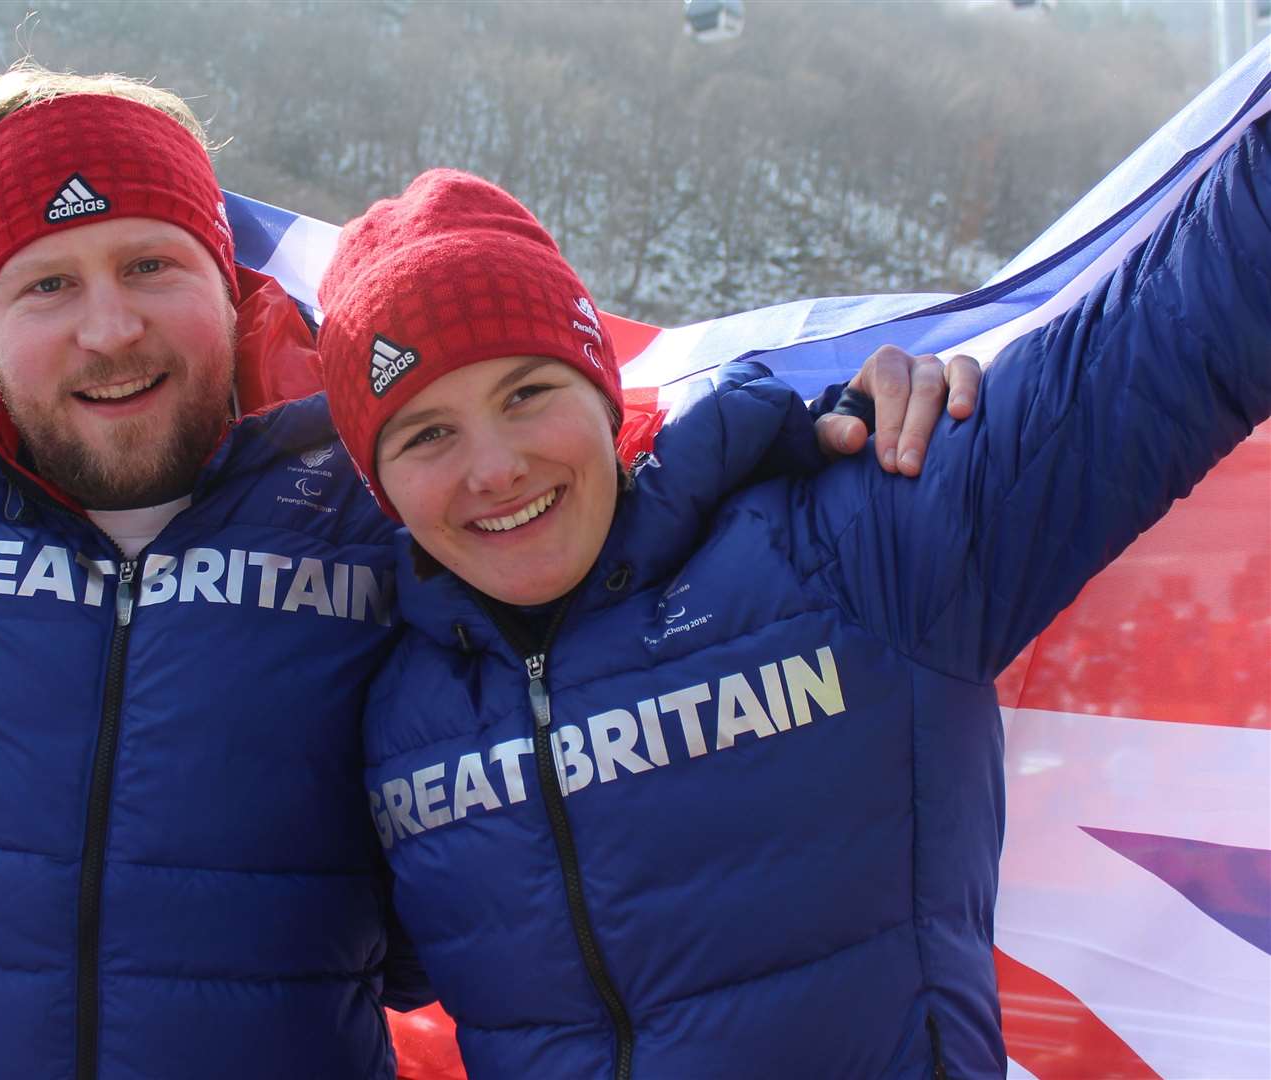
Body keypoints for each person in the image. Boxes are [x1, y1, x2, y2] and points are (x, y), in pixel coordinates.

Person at [0, 65, 967, 1078]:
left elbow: (607, 487)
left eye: (152, 267)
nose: (108, 330)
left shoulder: (365, 487)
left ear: (230, 287)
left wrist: (836, 422)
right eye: (46, 286)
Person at [312, 126, 1270, 1079]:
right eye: (426, 434)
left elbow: (1176, 334)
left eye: (527, 394)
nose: (494, 467)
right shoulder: (386, 708)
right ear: (381, 489)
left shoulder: (855, 550)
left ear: (606, 399)